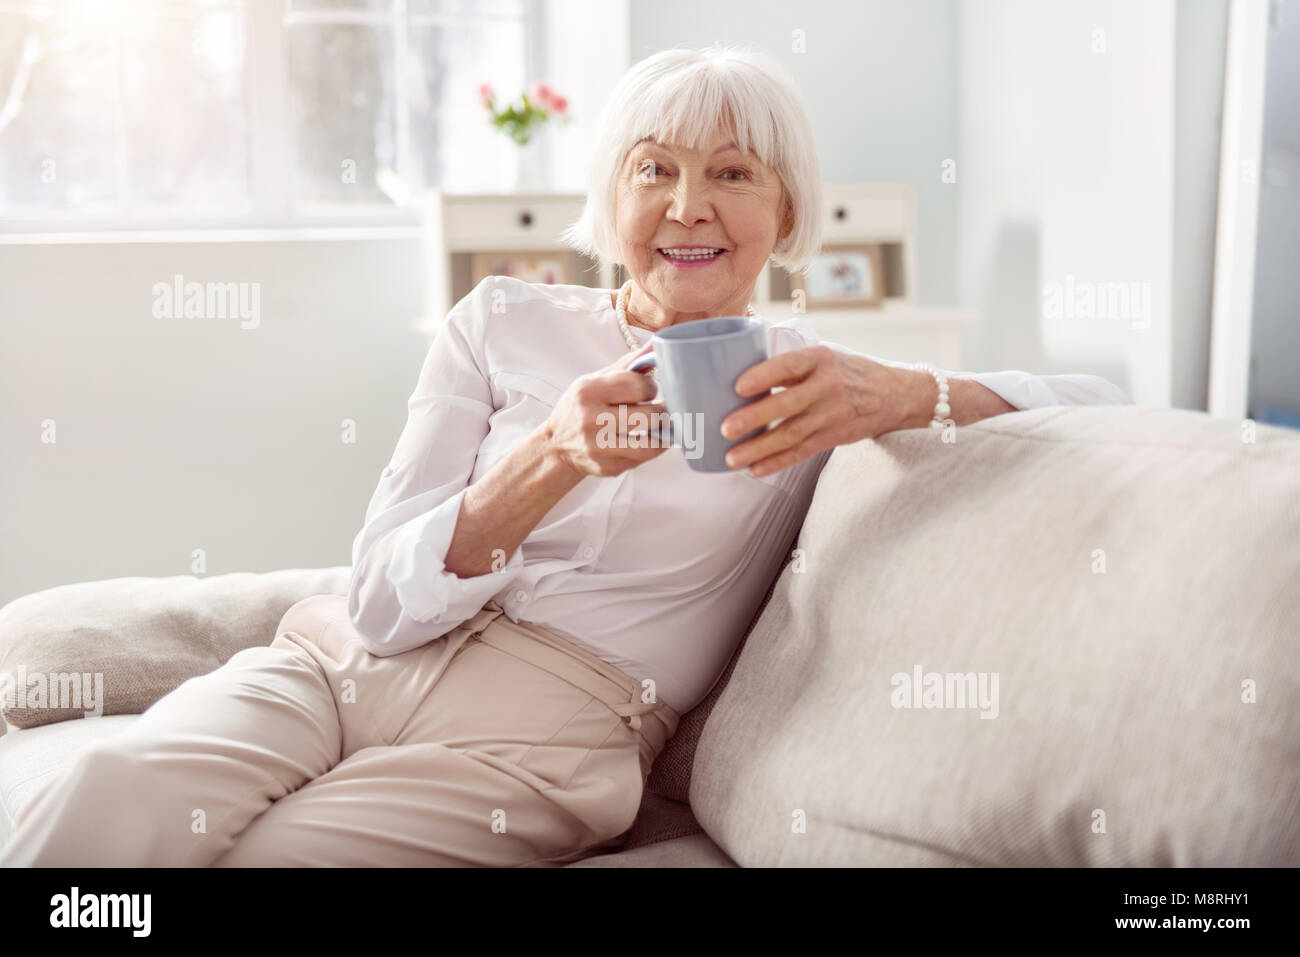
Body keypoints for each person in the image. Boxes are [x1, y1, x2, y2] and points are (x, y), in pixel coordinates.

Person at [0, 44, 1130, 868]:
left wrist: (904, 390)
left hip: (540, 742)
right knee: (108, 791)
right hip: (337, 663)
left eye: (734, 173)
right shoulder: (499, 322)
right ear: (612, 196)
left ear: (786, 216)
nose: (690, 205)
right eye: (656, 169)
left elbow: (1100, 403)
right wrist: (548, 457)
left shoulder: (809, 390)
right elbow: (384, 597)